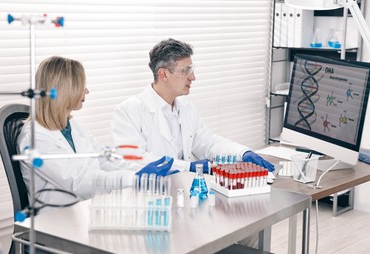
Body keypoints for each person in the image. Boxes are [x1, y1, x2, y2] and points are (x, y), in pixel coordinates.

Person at [17, 56, 174, 212]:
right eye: (81, 86)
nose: (87, 91)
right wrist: (136, 178)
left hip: (83, 211)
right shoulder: (35, 139)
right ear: (64, 90)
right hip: (55, 220)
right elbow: (78, 181)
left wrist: (143, 170)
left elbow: (103, 160)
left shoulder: (71, 126)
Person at [112, 38, 274, 174]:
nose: (193, 77)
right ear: (163, 74)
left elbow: (208, 143)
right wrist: (188, 167)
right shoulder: (129, 111)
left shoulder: (186, 108)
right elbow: (133, 159)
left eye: (192, 70)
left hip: (185, 190)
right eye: (186, 71)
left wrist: (242, 153)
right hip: (152, 195)